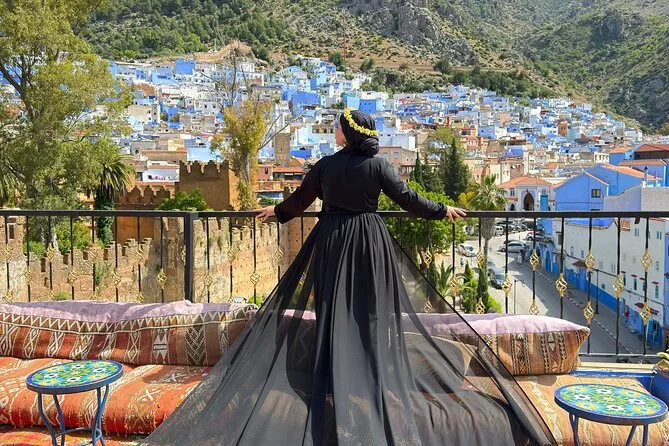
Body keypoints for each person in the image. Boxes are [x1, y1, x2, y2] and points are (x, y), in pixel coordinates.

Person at [140, 109, 555, 445]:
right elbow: (408, 200)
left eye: (338, 127)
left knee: (331, 306)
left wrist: (276, 212)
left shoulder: (325, 167)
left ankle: (332, 375)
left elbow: (300, 201)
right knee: (370, 309)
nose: (335, 131)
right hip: (369, 241)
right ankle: (368, 375)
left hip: (333, 240)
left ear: (348, 133)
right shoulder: (378, 165)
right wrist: (441, 210)